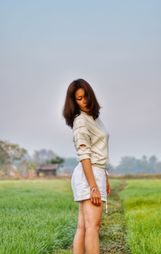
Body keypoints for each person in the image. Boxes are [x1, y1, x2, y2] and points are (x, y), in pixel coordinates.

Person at [63, 78, 111, 254]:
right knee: (92, 227)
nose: (84, 101)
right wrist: (93, 186)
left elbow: (98, 151)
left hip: (96, 172)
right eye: (79, 98)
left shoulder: (94, 119)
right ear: (74, 102)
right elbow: (84, 155)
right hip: (89, 174)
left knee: (83, 227)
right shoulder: (81, 121)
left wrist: (104, 177)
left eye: (86, 96)